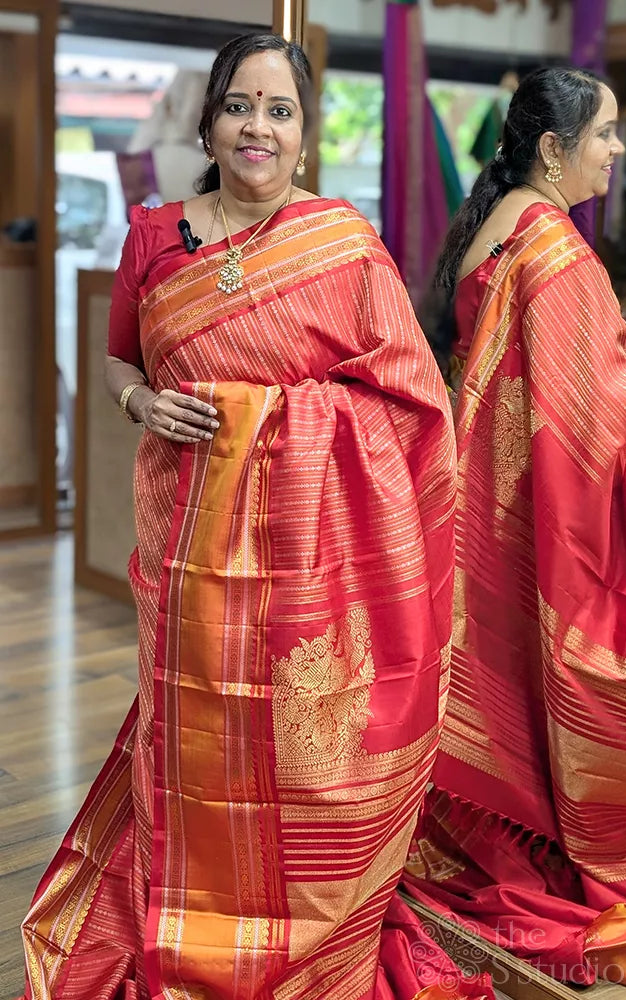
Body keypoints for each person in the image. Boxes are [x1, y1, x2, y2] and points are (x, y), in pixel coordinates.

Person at [17, 34, 460, 1000]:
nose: (258, 127)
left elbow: (416, 402)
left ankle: (300, 934)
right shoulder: (152, 236)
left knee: (298, 748)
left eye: (281, 109)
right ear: (210, 122)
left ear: (304, 134)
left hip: (308, 563)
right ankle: (186, 923)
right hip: (183, 537)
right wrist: (140, 404)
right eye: (240, 106)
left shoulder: (343, 246)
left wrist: (283, 423)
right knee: (189, 734)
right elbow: (119, 361)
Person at [404, 67, 626, 984]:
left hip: (483, 514)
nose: (617, 150)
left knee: (494, 685)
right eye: (608, 133)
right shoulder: (560, 254)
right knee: (578, 673)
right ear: (553, 149)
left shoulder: (491, 228)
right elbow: (596, 421)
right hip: (542, 517)